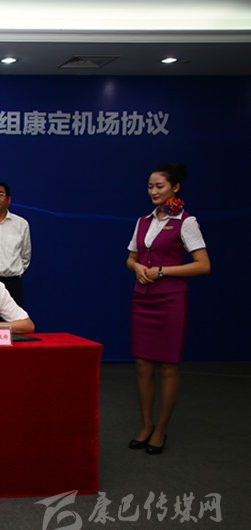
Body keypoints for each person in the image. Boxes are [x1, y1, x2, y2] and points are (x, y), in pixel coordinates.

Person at [125, 162, 210, 455]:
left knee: (168, 366)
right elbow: (131, 258)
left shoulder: (187, 221)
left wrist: (162, 271)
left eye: (159, 186)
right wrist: (137, 267)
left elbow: (203, 265)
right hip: (142, 298)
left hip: (171, 299)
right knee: (142, 364)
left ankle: (161, 429)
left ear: (175, 187)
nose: (153, 191)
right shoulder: (143, 221)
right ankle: (146, 424)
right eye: (150, 186)